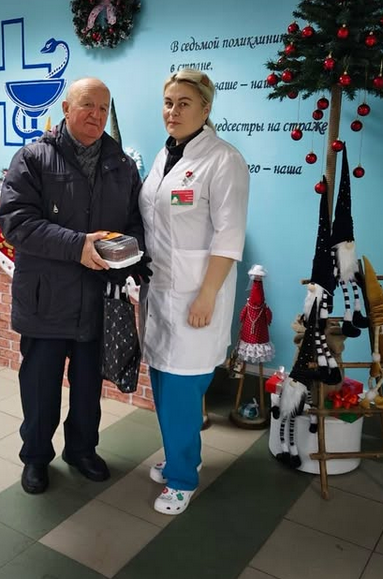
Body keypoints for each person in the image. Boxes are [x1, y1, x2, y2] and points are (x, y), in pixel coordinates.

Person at [0, 77, 146, 494]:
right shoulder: (33, 158)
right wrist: (78, 246)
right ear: (65, 108)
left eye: (103, 108)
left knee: (87, 389)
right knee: (40, 388)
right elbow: (16, 222)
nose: (96, 115)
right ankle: (35, 458)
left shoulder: (122, 165)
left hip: (98, 299)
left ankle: (82, 450)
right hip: (46, 299)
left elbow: (137, 224)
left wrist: (126, 253)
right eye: (87, 105)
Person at [139, 69, 249, 515]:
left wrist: (207, 295)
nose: (173, 111)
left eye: (184, 103)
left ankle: (183, 479)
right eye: (168, 102)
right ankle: (180, 457)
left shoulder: (224, 160)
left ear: (206, 109)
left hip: (197, 295)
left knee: (183, 392)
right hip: (159, 290)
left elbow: (229, 236)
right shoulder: (165, 154)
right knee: (162, 382)